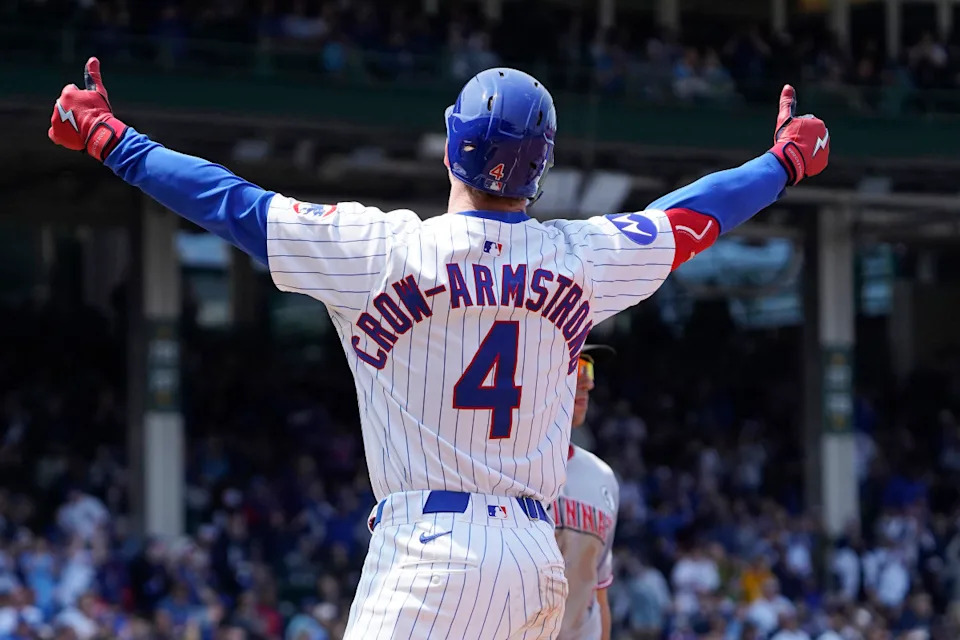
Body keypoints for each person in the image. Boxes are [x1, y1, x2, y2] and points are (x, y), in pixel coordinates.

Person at [48, 58, 830, 639]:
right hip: (533, 556)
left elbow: (231, 203)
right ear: (542, 167)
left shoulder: (382, 249)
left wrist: (112, 140)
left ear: (450, 144)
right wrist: (782, 162)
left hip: (430, 553)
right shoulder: (580, 257)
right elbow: (691, 218)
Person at [552, 343, 619, 640]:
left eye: (588, 370)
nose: (586, 383)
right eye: (575, 368)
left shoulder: (602, 477)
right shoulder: (500, 468)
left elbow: (599, 592)